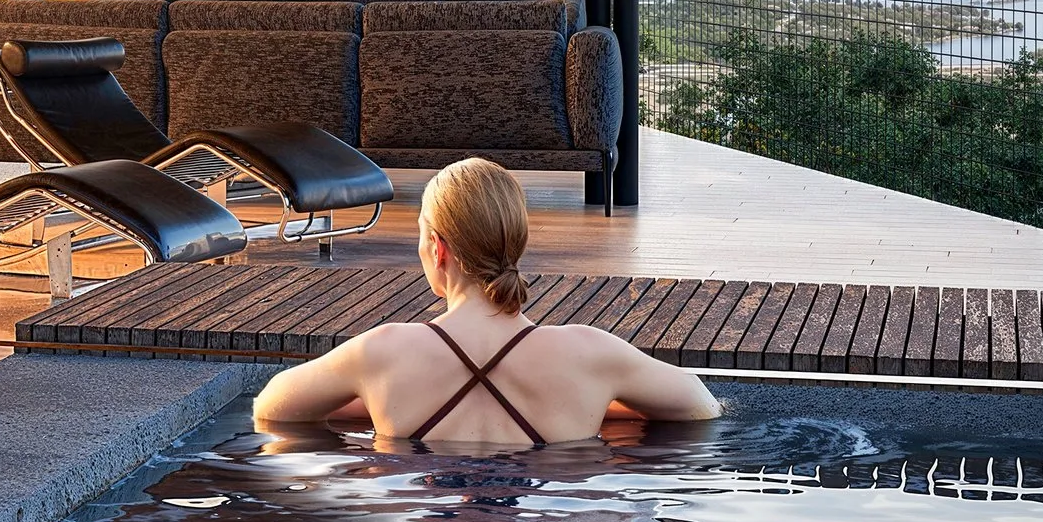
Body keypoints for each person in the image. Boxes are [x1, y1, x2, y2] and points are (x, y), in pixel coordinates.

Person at [253, 158, 721, 445]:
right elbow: (700, 406)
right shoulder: (591, 355)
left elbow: (271, 406)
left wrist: (370, 401)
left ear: (437, 248)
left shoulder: (381, 353)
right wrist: (599, 404)